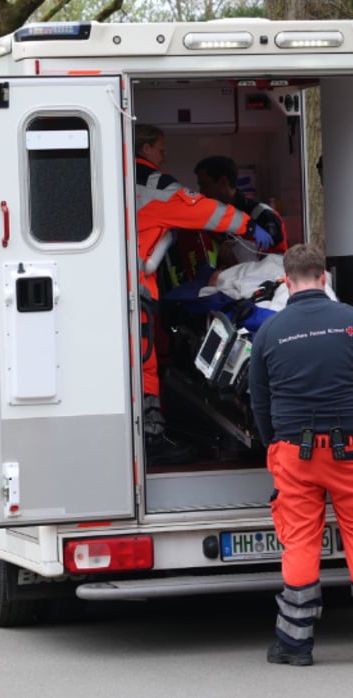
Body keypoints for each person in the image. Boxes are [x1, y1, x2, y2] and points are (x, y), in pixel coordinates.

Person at [249, 243, 353, 667]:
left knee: (299, 540)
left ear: (286, 281)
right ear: (324, 278)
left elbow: (259, 401)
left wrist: (273, 442)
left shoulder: (270, 331)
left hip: (293, 453)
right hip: (351, 448)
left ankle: (295, 644)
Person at [134, 124, 274, 464]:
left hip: (133, 285)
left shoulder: (127, 178)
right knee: (144, 363)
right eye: (161, 149)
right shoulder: (153, 184)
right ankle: (150, 439)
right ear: (146, 148)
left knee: (142, 362)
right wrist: (245, 225)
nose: (164, 156)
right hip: (136, 287)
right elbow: (202, 210)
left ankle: (149, 433)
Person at [194, 155, 288, 268]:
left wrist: (237, 251)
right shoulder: (213, 218)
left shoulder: (264, 215)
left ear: (223, 182)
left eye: (205, 185)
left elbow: (278, 261)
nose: (201, 192)